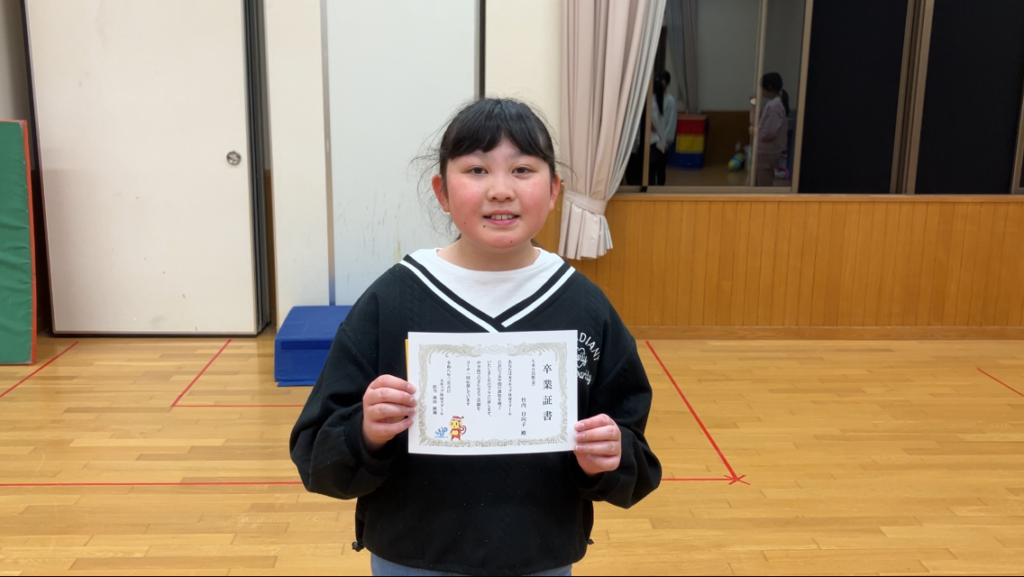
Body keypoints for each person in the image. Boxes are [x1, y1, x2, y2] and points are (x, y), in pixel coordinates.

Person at [290, 98, 662, 577]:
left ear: (554, 190)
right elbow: (316, 451)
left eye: (522, 169)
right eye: (477, 170)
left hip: (539, 556)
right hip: (412, 556)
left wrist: (608, 455)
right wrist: (366, 432)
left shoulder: (584, 305)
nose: (500, 190)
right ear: (442, 192)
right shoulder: (394, 299)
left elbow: (633, 451)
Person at [755, 72, 789, 187]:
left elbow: (769, 132)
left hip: (767, 152)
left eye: (762, 88)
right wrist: (752, 103)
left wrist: (756, 132)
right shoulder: (773, 105)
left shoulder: (774, 106)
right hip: (765, 151)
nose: (761, 91)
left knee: (763, 183)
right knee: (755, 181)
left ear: (769, 87)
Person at [649, 70, 677, 186]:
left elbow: (670, 122)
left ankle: (659, 190)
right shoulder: (651, 98)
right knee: (650, 169)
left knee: (660, 169)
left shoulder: (670, 101)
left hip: (660, 140)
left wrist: (665, 140)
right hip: (651, 139)